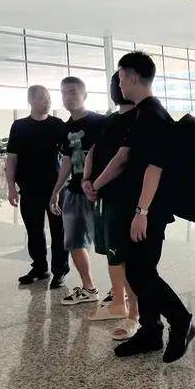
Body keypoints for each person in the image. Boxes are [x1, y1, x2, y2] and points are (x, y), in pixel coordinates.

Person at [102, 51, 194, 364]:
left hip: (149, 209)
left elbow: (155, 167)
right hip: (142, 207)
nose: (118, 83)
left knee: (140, 272)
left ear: (132, 77)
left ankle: (180, 319)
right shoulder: (144, 113)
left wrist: (142, 212)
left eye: (120, 77)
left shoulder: (152, 115)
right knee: (140, 271)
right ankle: (151, 332)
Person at [82, 72, 139, 341]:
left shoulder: (140, 118)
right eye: (116, 82)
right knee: (112, 253)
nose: (118, 86)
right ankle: (118, 301)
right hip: (104, 198)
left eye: (122, 80)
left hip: (125, 198)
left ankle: (134, 314)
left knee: (126, 256)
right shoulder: (109, 120)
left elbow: (122, 159)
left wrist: (95, 184)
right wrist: (86, 179)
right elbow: (93, 151)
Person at [50, 76, 105, 306]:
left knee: (110, 243)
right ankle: (89, 288)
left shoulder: (101, 122)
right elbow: (67, 162)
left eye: (72, 92)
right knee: (74, 242)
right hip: (74, 192)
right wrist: (56, 191)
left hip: (98, 192)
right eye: (63, 92)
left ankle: (120, 291)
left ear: (85, 95)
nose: (67, 97)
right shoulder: (66, 127)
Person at [6, 85, 69, 288]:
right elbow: (11, 159)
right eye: (42, 98)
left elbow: (68, 158)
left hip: (55, 189)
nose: (47, 101)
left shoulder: (58, 125)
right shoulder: (19, 126)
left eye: (49, 97)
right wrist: (11, 187)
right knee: (34, 230)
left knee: (59, 231)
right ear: (31, 101)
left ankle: (60, 271)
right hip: (29, 188)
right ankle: (40, 268)